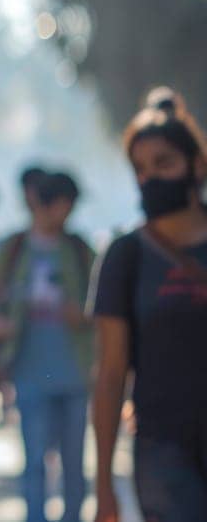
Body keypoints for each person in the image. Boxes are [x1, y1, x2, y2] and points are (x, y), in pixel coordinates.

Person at [92, 90, 207, 522]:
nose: (150, 179)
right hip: (163, 451)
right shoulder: (125, 256)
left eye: (164, 164)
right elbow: (109, 375)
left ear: (196, 165)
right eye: (140, 169)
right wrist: (104, 485)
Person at [0, 170, 94, 522]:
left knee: (74, 463)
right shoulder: (14, 248)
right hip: (29, 368)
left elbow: (102, 303)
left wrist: (83, 315)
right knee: (34, 462)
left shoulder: (78, 248)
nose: (66, 213)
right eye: (61, 205)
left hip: (75, 369)